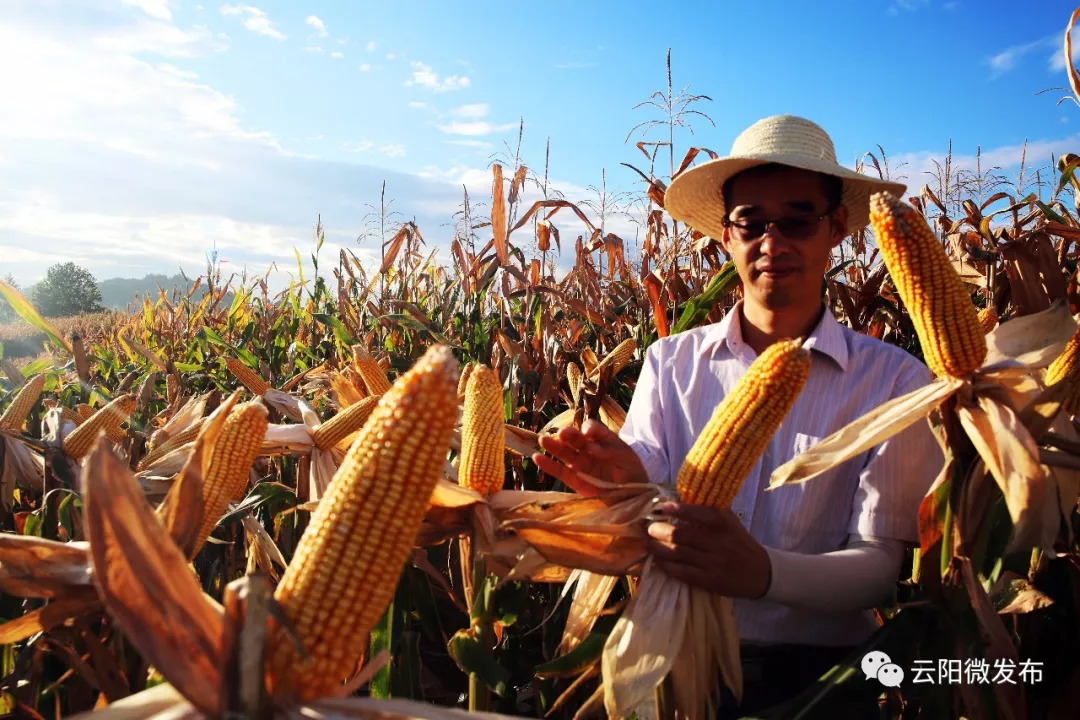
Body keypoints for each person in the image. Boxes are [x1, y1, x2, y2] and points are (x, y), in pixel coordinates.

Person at [532, 115, 944, 716]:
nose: (772, 242)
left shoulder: (896, 382)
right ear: (726, 236)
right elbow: (646, 485)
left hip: (826, 681)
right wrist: (617, 482)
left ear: (837, 229)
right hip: (679, 654)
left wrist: (759, 572)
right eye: (751, 222)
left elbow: (881, 570)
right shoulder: (670, 362)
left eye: (798, 220)